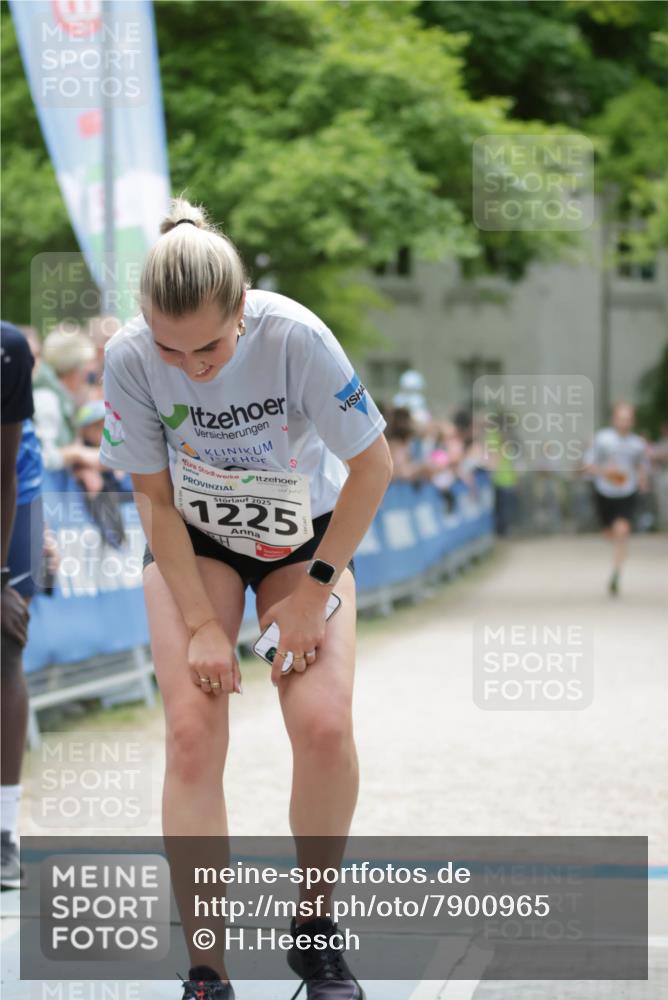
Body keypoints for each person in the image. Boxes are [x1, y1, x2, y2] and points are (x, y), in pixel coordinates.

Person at [99, 198, 392, 1000]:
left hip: (305, 541)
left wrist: (313, 596)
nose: (191, 367)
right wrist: (200, 624)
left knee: (325, 726)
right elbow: (154, 502)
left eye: (212, 348)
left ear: (244, 307)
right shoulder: (127, 358)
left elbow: (374, 468)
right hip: (195, 541)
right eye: (171, 348)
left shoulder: (297, 336)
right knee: (193, 735)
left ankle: (315, 930)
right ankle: (207, 970)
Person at [1, 321, 43, 889]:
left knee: (3, 647)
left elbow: (2, 475)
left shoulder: (7, 350)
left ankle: (3, 833)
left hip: (11, 492)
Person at [584, 401, 650, 595]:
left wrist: (642, 480)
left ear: (632, 421)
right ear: (614, 419)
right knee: (609, 534)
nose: (624, 423)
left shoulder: (637, 444)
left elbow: (640, 466)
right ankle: (616, 547)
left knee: (622, 531)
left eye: (628, 419)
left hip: (626, 493)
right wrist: (606, 472)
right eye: (621, 419)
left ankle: (616, 573)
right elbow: (588, 465)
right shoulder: (602, 439)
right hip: (604, 493)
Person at [32, 324, 100, 473]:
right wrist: (77, 453)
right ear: (73, 368)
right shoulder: (47, 400)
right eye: (87, 365)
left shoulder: (62, 399)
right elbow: (42, 458)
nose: (91, 371)